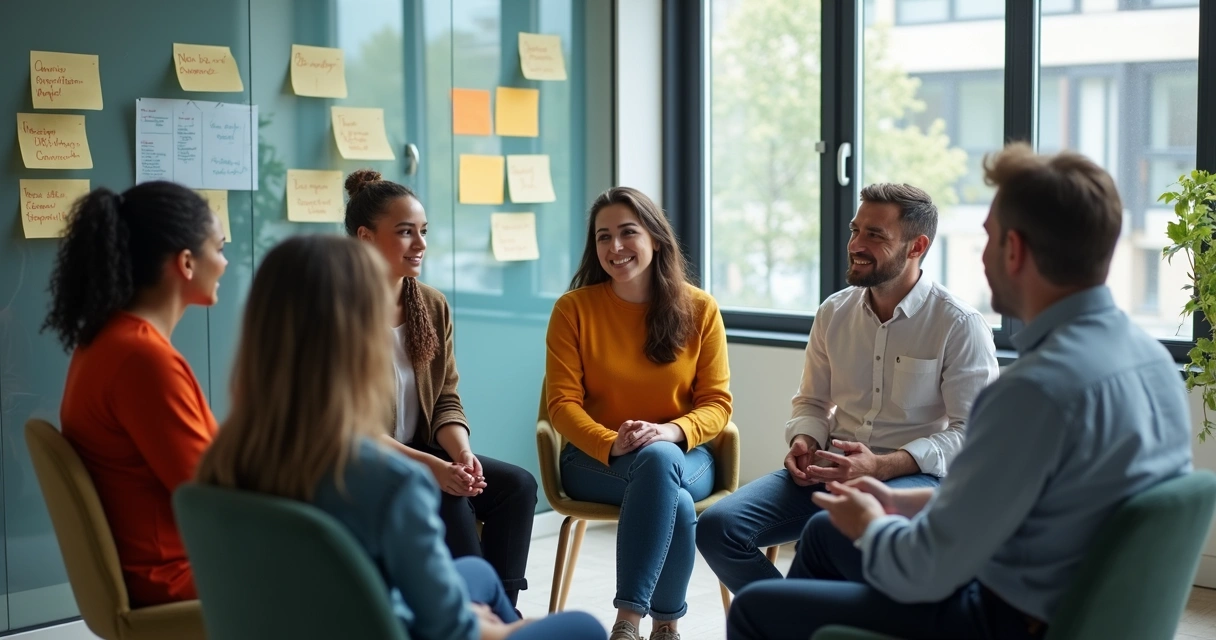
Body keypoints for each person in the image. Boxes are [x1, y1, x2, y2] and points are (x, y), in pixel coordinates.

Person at [726, 143, 1194, 640]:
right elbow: (1031, 503)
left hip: (1000, 621)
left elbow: (923, 571)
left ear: (1014, 250)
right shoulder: (1152, 362)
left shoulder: (1033, 393)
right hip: (1080, 607)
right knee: (820, 534)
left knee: (758, 606)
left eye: (988, 238)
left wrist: (871, 522)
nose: (983, 253)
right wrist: (900, 502)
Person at [195, 235, 604, 640]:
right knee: (582, 627)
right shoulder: (390, 484)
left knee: (477, 573)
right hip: (392, 626)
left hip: (322, 621)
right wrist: (503, 628)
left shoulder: (223, 462)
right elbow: (448, 628)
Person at [698, 183, 999, 595]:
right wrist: (806, 438)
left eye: (875, 235)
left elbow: (974, 435)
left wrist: (881, 465)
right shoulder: (833, 312)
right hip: (832, 465)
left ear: (917, 246)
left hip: (914, 479)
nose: (856, 244)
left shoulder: (959, 324)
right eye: (855, 230)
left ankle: (783, 618)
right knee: (718, 528)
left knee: (829, 529)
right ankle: (798, 624)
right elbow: (812, 402)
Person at [343, 169, 537, 605]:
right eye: (406, 232)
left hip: (420, 450)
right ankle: (473, 618)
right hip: (357, 461)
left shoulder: (430, 305)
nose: (421, 244)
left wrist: (461, 454)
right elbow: (350, 428)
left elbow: (447, 397)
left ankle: (499, 609)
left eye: (424, 232)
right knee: (447, 495)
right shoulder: (335, 309)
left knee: (516, 486)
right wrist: (435, 468)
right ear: (366, 237)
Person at [546, 186, 732, 640]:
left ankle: (627, 622)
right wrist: (611, 441)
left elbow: (718, 404)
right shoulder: (574, 310)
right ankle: (664, 625)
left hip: (684, 454)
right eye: (603, 237)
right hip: (595, 458)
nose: (615, 247)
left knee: (661, 461)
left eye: (627, 233)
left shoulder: (700, 309)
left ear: (655, 237)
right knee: (676, 498)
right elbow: (561, 405)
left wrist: (670, 432)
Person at [46, 182, 228, 606]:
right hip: (177, 575)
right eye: (218, 248)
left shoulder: (110, 341)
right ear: (186, 262)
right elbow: (214, 496)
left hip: (169, 564)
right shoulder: (143, 360)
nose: (223, 262)